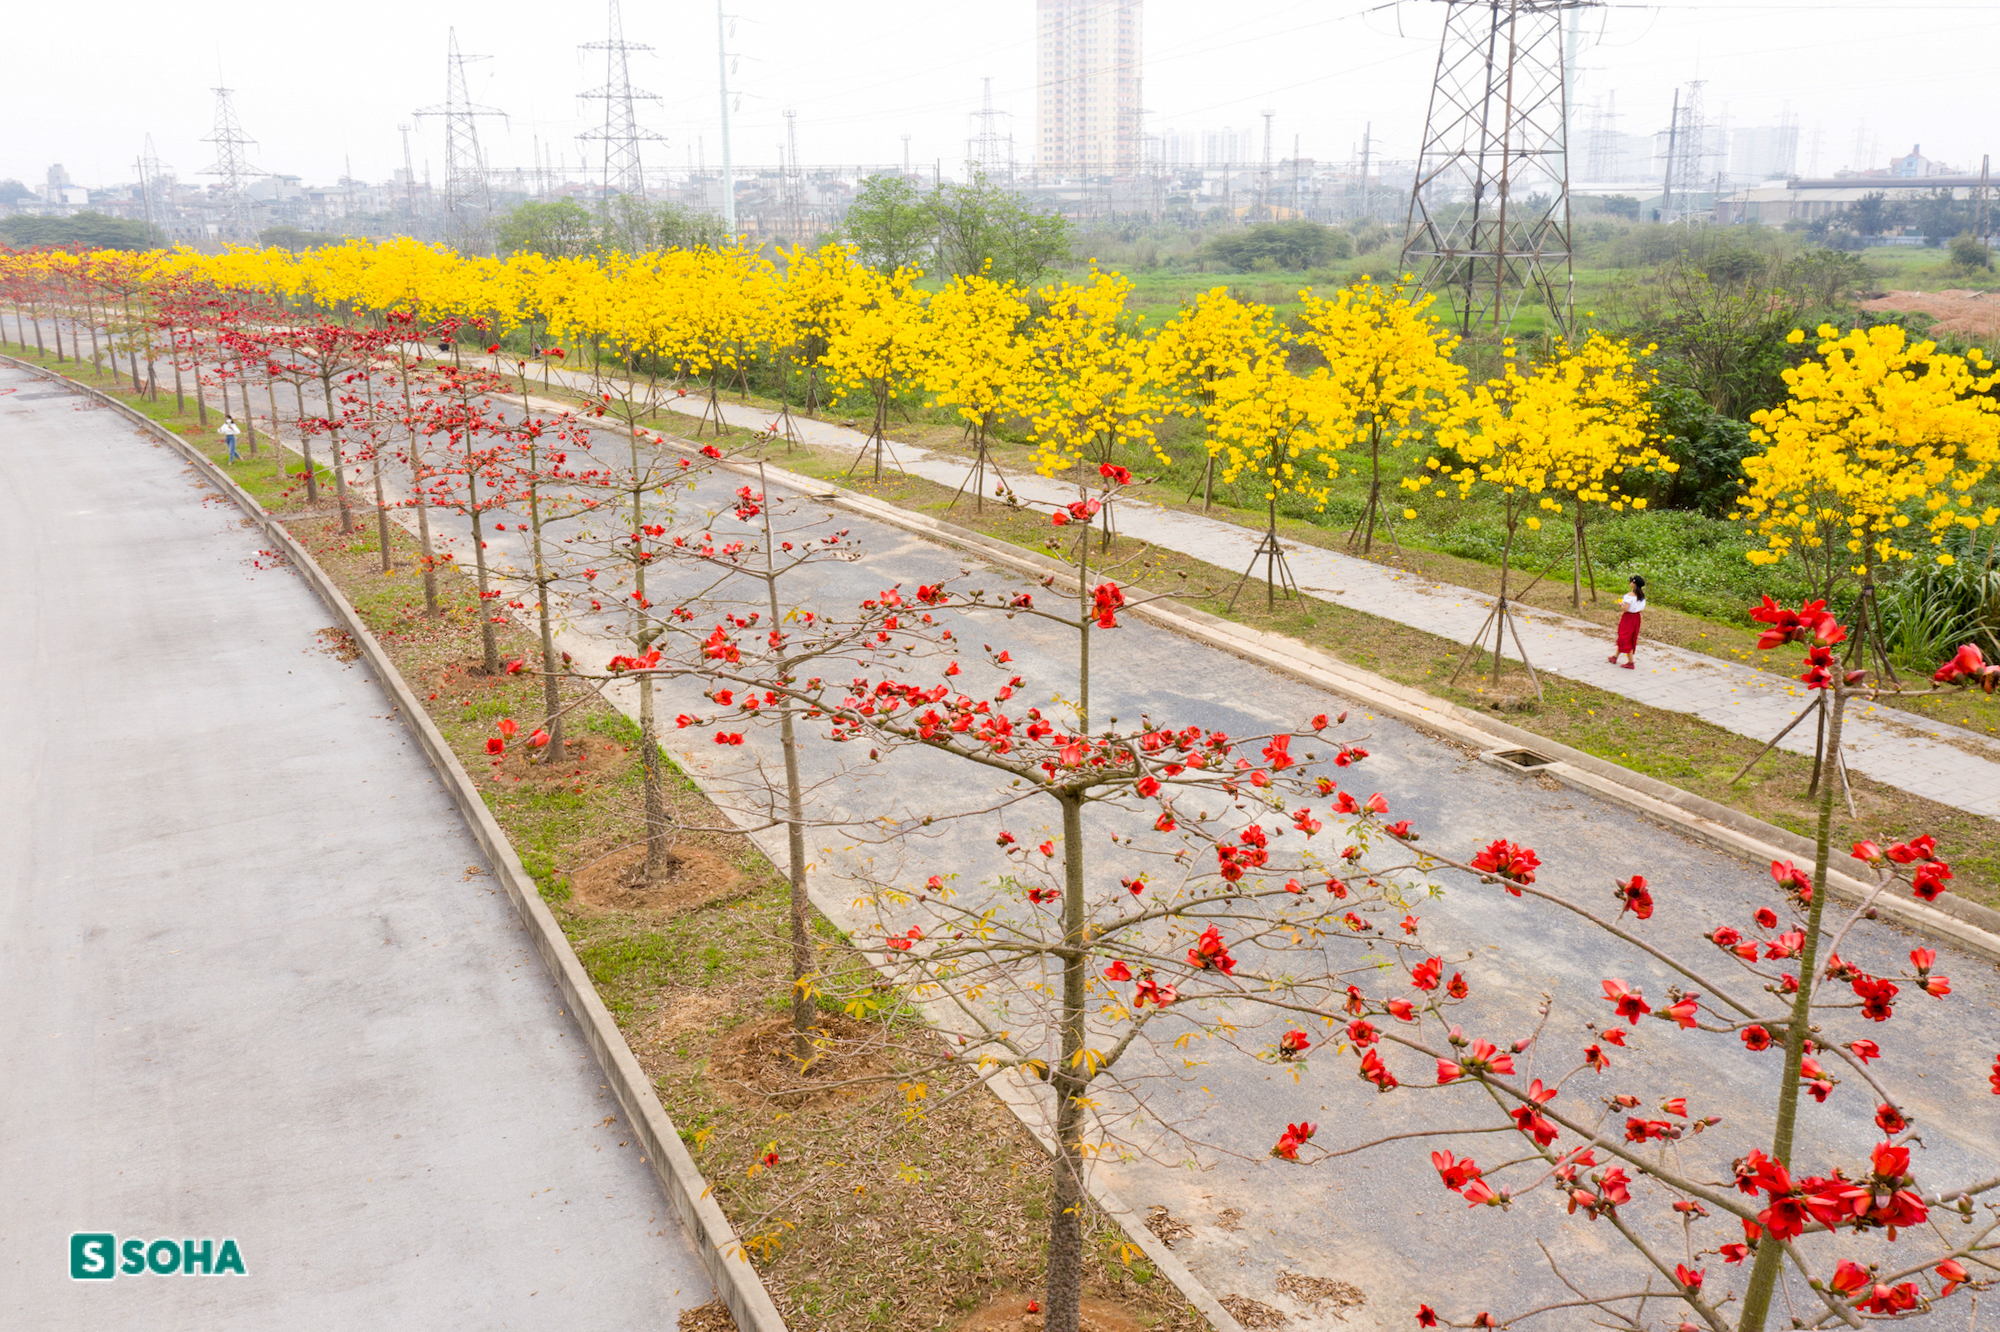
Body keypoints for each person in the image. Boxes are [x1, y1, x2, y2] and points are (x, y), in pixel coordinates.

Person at [1610, 575, 1646, 669]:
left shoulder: (1629, 596)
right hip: (1636, 617)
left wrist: (1621, 604)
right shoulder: (1641, 596)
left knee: (1624, 637)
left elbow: (1626, 609)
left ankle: (1631, 662)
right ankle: (1615, 657)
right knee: (1628, 636)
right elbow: (1641, 607)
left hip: (1628, 617)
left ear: (1633, 584)